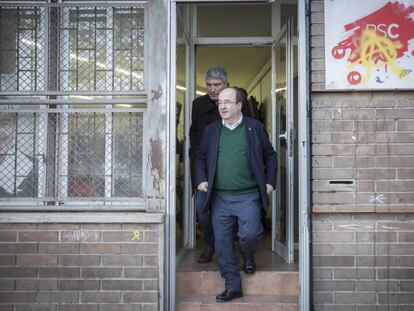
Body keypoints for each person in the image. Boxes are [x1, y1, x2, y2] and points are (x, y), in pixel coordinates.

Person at [194, 87, 277, 302]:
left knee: (249, 235)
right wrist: (201, 179)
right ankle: (233, 285)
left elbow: (271, 156)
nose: (222, 106)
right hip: (220, 197)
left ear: (239, 105)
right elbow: (200, 156)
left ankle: (248, 255)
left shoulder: (254, 128)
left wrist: (269, 183)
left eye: (227, 102)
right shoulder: (212, 130)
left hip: (248, 196)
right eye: (219, 102)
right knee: (222, 244)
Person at [189, 66, 251, 264]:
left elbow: (250, 131)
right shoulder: (198, 104)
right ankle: (210, 244)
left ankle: (231, 244)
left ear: (227, 84)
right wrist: (198, 173)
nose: (213, 89)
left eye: (217, 85)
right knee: (203, 210)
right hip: (205, 167)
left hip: (232, 167)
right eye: (209, 85)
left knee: (234, 212)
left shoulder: (239, 100)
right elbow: (194, 135)